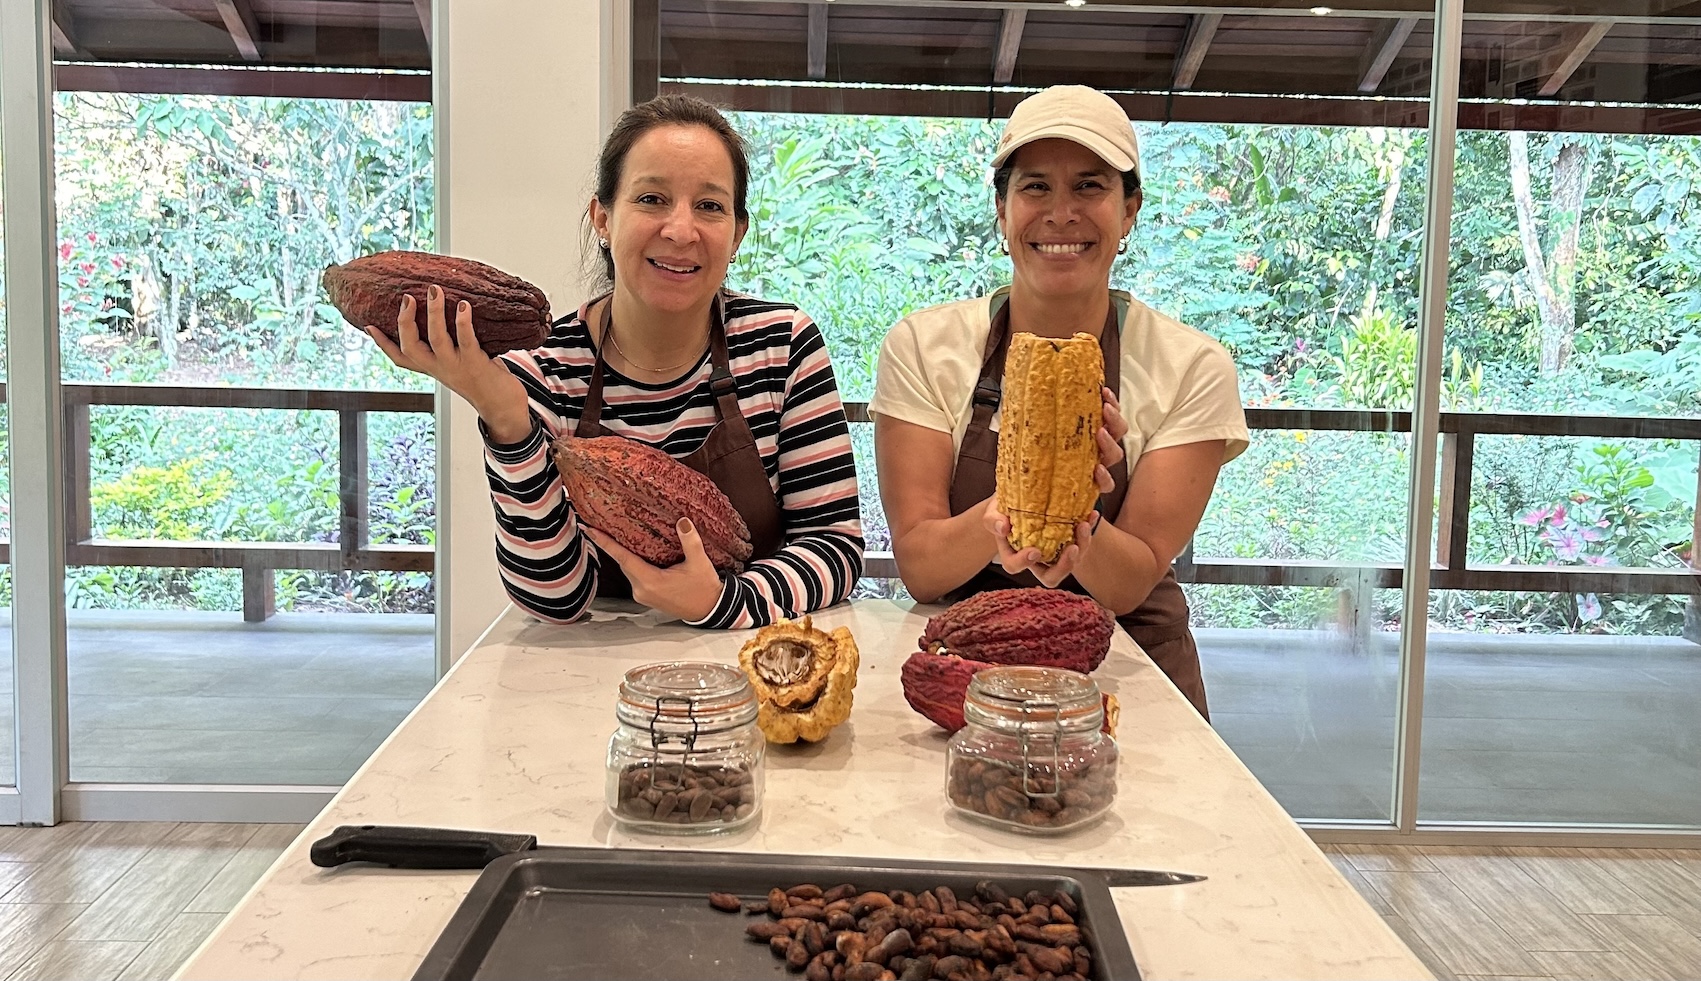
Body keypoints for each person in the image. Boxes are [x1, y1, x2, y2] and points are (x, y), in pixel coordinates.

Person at [368, 95, 864, 628]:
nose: (680, 230)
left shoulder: (781, 346)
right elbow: (554, 600)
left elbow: (835, 547)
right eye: (652, 198)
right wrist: (507, 422)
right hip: (590, 672)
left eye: (710, 206)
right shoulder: (545, 366)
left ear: (737, 233)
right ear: (602, 218)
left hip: (752, 662)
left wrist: (723, 602)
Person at [869, 85, 1248, 717]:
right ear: (1002, 209)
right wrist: (1016, 506)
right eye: (1035, 186)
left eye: (1090, 186)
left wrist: (1078, 511)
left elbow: (1131, 582)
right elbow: (922, 566)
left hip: (1128, 666)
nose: (1061, 213)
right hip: (967, 662)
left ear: (1129, 211)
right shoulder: (924, 346)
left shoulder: (1192, 366)